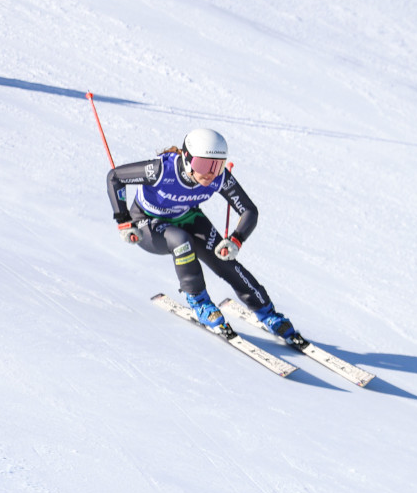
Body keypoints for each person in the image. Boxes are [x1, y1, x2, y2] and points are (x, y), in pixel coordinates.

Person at [106, 128, 298, 340]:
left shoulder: (219, 177)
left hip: (187, 217)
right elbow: (115, 177)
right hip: (148, 223)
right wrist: (123, 221)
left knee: (224, 259)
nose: (210, 173)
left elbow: (249, 211)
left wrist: (236, 239)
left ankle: (268, 313)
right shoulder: (160, 170)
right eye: (204, 165)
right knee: (181, 241)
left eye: (218, 165)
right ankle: (200, 302)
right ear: (187, 159)